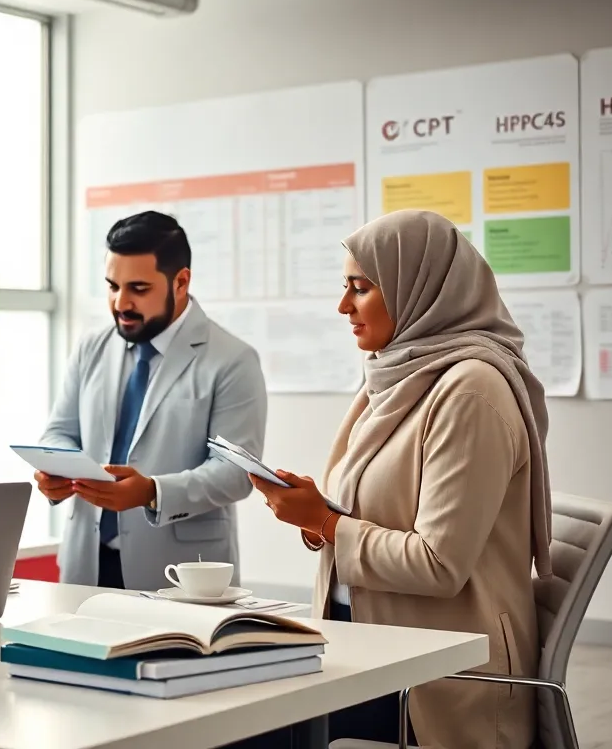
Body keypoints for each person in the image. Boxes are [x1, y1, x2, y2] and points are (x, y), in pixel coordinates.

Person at [243, 209, 548, 748]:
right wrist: (315, 518)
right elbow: (364, 512)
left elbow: (439, 565)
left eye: (360, 289)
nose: (343, 307)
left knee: (242, 730)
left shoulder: (471, 392)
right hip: (367, 648)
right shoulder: (396, 374)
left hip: (429, 676)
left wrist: (329, 523)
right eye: (345, 287)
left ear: (420, 288)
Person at [36, 211, 267, 591]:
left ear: (181, 282)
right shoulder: (91, 347)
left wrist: (153, 492)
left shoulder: (232, 360)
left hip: (181, 575)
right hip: (87, 565)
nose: (120, 303)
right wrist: (56, 470)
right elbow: (59, 432)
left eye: (138, 289)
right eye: (112, 286)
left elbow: (236, 474)